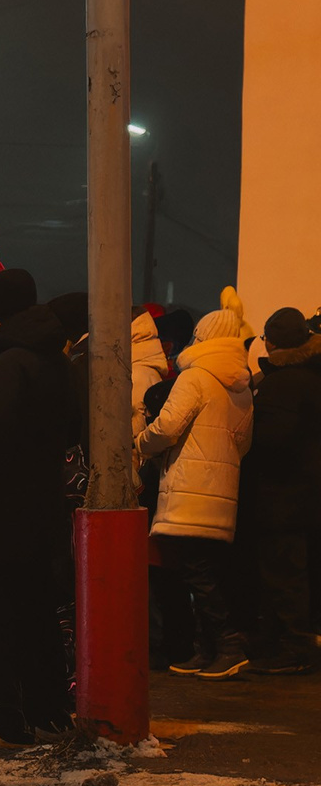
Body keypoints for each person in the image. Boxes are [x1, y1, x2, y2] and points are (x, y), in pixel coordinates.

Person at [0, 272, 81, 748]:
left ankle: (11, 718)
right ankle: (50, 711)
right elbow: (72, 429)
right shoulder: (56, 359)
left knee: (3, 612)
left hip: (6, 508)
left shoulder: (10, 364)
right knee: (39, 610)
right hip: (44, 504)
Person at [137, 288, 255, 680]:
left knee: (196, 574)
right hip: (222, 491)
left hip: (189, 488)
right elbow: (243, 444)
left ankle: (228, 647)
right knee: (208, 572)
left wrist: (140, 442)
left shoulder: (195, 377)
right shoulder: (241, 386)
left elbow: (167, 428)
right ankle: (209, 650)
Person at [243, 306, 321, 674]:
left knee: (284, 575)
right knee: (299, 573)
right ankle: (289, 642)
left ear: (272, 343)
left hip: (284, 497)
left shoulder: (281, 384)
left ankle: (294, 648)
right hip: (307, 495)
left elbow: (272, 441)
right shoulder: (312, 376)